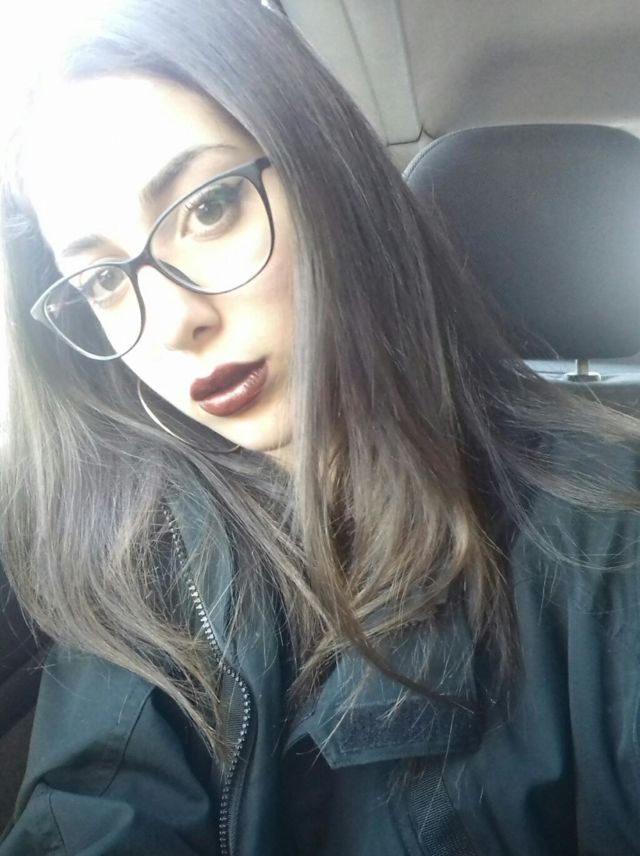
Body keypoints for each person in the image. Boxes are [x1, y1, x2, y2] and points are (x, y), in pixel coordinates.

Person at [1, 1, 640, 853]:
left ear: (327, 174)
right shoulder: (144, 559)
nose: (173, 321)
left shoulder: (609, 533)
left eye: (210, 207)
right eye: (104, 281)